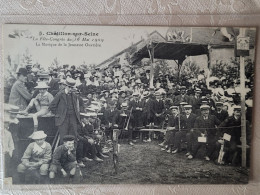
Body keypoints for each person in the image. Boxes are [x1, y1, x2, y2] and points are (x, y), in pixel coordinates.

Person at [49, 78, 81, 144]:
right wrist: (59, 114)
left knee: (73, 137)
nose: (71, 89)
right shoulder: (60, 94)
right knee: (64, 138)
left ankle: (72, 153)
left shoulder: (74, 95)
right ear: (66, 86)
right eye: (70, 87)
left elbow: (76, 108)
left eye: (72, 88)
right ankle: (64, 153)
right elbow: (52, 106)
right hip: (63, 120)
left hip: (73, 118)